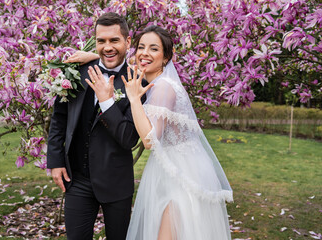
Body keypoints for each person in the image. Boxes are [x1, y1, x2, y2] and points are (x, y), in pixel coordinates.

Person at [73, 26, 233, 239]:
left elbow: (150, 141)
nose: (144, 53)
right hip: (171, 167)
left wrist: (134, 99)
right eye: (141, 47)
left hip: (181, 174)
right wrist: (95, 57)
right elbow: (123, 65)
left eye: (153, 49)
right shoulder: (152, 80)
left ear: (166, 57)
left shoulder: (163, 87)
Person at [47, 12, 144, 240]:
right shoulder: (76, 71)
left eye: (114, 40)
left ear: (128, 42)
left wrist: (106, 101)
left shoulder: (136, 82)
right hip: (77, 179)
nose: (107, 47)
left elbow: (130, 138)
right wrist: (56, 161)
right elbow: (59, 118)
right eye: (101, 41)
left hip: (116, 182)